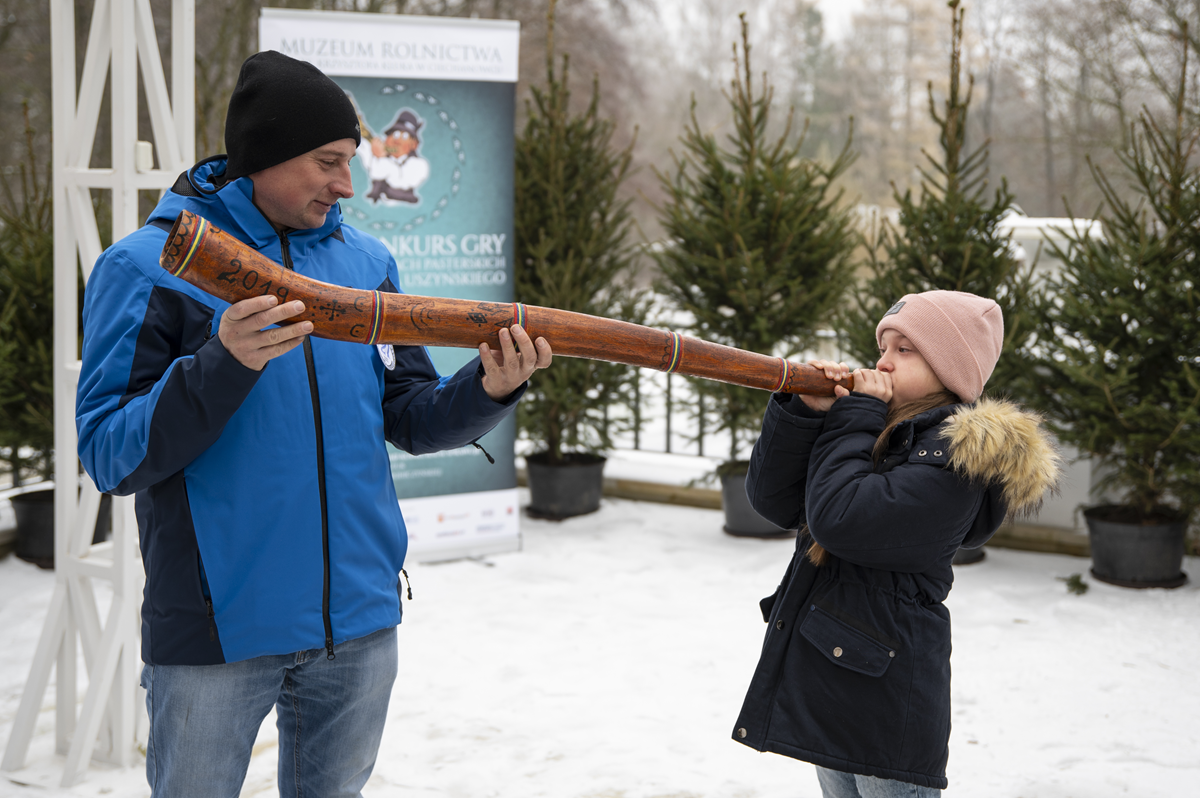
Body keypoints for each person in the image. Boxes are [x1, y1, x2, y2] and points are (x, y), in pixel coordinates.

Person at [75, 51, 551, 798]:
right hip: (217, 633)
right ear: (263, 156)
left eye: (350, 161)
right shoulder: (149, 267)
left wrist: (487, 388)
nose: (347, 184)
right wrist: (223, 363)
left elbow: (409, 415)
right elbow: (109, 455)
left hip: (359, 626)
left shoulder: (366, 263)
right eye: (328, 162)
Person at [731, 290, 1060, 797]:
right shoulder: (879, 429)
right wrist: (807, 412)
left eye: (904, 350)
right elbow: (774, 501)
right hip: (831, 677)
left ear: (949, 370)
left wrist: (856, 414)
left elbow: (840, 518)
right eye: (883, 347)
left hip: (885, 702)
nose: (883, 361)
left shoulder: (954, 458)